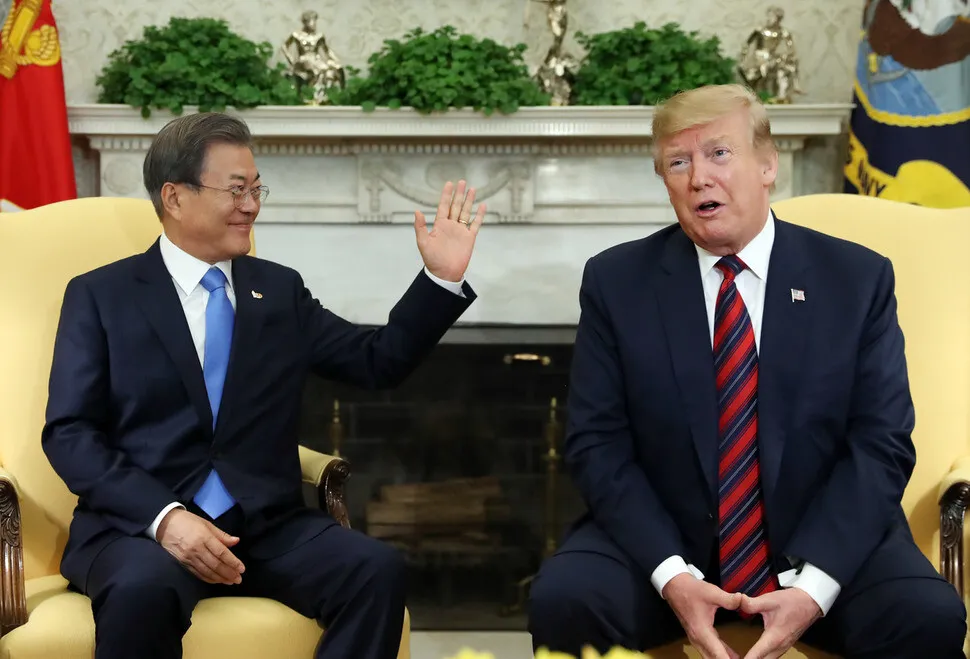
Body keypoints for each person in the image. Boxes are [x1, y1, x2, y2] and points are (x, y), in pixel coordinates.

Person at [527, 84, 966, 659]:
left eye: (719, 153)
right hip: (666, 544)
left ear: (767, 166)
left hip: (826, 545)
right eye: (677, 163)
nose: (698, 178)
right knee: (564, 600)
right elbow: (597, 443)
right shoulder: (618, 282)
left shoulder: (855, 280)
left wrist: (813, 590)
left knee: (927, 617)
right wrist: (672, 576)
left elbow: (880, 443)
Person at [41, 112, 485, 659]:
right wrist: (165, 519)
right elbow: (70, 433)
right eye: (235, 190)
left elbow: (377, 362)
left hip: (265, 528)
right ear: (174, 197)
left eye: (256, 189)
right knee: (141, 590)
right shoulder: (101, 295)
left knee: (376, 570)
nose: (251, 205)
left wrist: (441, 279)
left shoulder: (278, 290)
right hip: (142, 529)